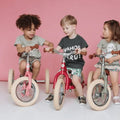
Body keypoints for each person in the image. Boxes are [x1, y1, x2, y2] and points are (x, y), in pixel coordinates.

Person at [45, 15, 88, 104]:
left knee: (75, 80)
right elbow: (57, 49)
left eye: (67, 28)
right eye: (63, 29)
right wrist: (51, 49)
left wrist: (80, 51)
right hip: (66, 64)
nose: (65, 30)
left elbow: (85, 51)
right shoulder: (64, 40)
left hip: (76, 65)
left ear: (74, 27)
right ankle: (54, 93)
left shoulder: (80, 39)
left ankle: (81, 96)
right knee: (59, 77)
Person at [14, 14, 53, 81]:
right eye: (29, 30)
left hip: (34, 59)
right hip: (24, 58)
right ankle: (22, 76)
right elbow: (19, 49)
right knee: (23, 64)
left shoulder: (37, 38)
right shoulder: (19, 39)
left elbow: (49, 43)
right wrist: (24, 49)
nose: (32, 32)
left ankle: (33, 80)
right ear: (22, 29)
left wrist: (50, 47)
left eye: (34, 29)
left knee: (37, 64)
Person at [93, 20, 120, 104]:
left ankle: (116, 96)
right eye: (103, 29)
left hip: (113, 64)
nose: (103, 31)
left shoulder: (117, 43)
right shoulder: (102, 42)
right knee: (95, 76)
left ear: (112, 31)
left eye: (105, 29)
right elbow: (98, 51)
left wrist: (113, 59)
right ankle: (99, 90)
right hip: (103, 63)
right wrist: (99, 54)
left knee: (114, 81)